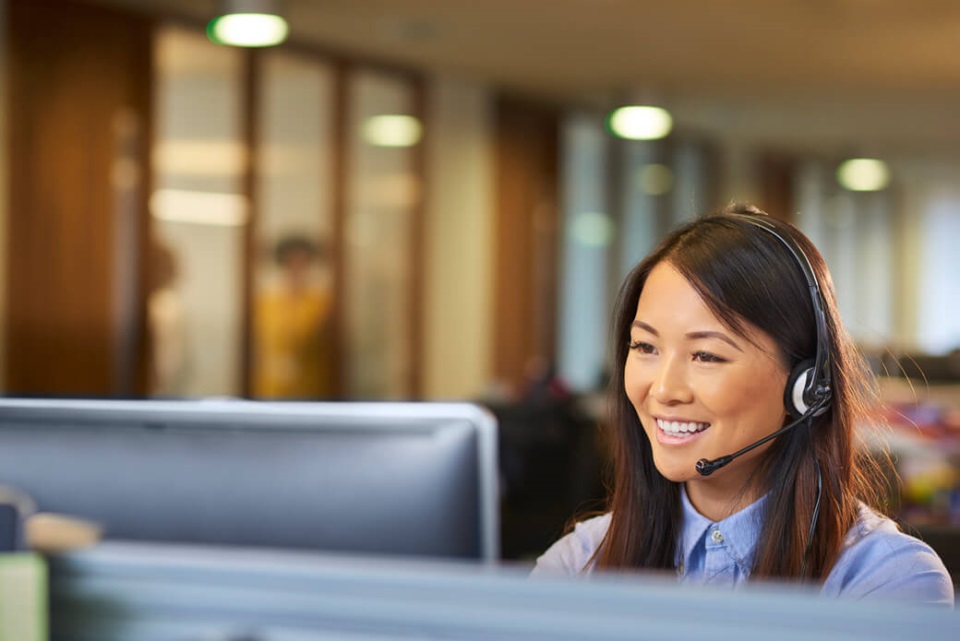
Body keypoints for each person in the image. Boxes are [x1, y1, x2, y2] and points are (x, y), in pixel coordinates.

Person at [532, 204, 954, 606]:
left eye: (706, 356)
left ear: (807, 385)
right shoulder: (578, 563)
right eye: (645, 346)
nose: (663, 390)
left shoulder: (886, 580)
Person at [253, 234, 335, 399]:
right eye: (292, 262)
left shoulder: (321, 302)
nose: (297, 268)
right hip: (270, 388)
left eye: (303, 262)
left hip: (311, 388)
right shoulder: (265, 302)